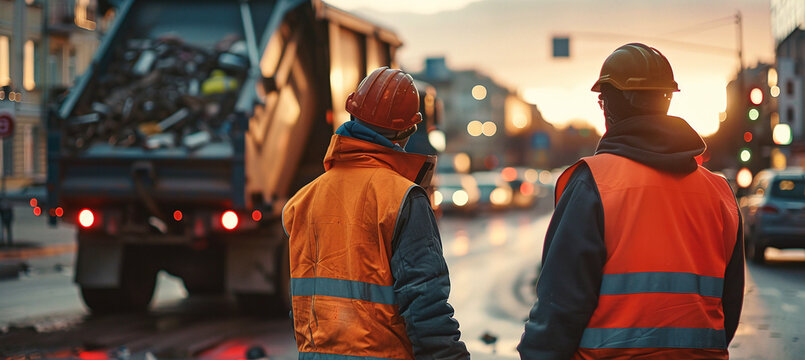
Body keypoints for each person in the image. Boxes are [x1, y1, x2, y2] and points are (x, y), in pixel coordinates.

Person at [517, 43, 744, 359]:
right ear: (666, 100)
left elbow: (560, 306)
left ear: (611, 104)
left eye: (602, 99)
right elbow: (728, 307)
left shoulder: (593, 183)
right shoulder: (719, 193)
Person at [283, 67, 469, 360]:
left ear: (352, 114)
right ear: (408, 130)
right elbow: (426, 304)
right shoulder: (402, 197)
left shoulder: (303, 200)